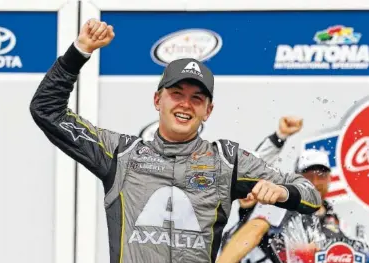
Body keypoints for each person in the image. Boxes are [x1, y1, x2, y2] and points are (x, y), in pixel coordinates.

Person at [29, 19, 322, 263]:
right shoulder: (120, 153)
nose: (186, 104)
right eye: (177, 94)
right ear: (158, 99)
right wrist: (79, 51)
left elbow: (311, 194)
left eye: (197, 98)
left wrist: (283, 192)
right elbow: (46, 109)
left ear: (208, 110)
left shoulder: (226, 160)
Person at [218, 117, 369, 263]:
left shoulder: (340, 225)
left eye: (321, 175)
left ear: (330, 178)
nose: (315, 182)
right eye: (308, 176)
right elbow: (254, 230)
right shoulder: (281, 206)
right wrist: (279, 137)